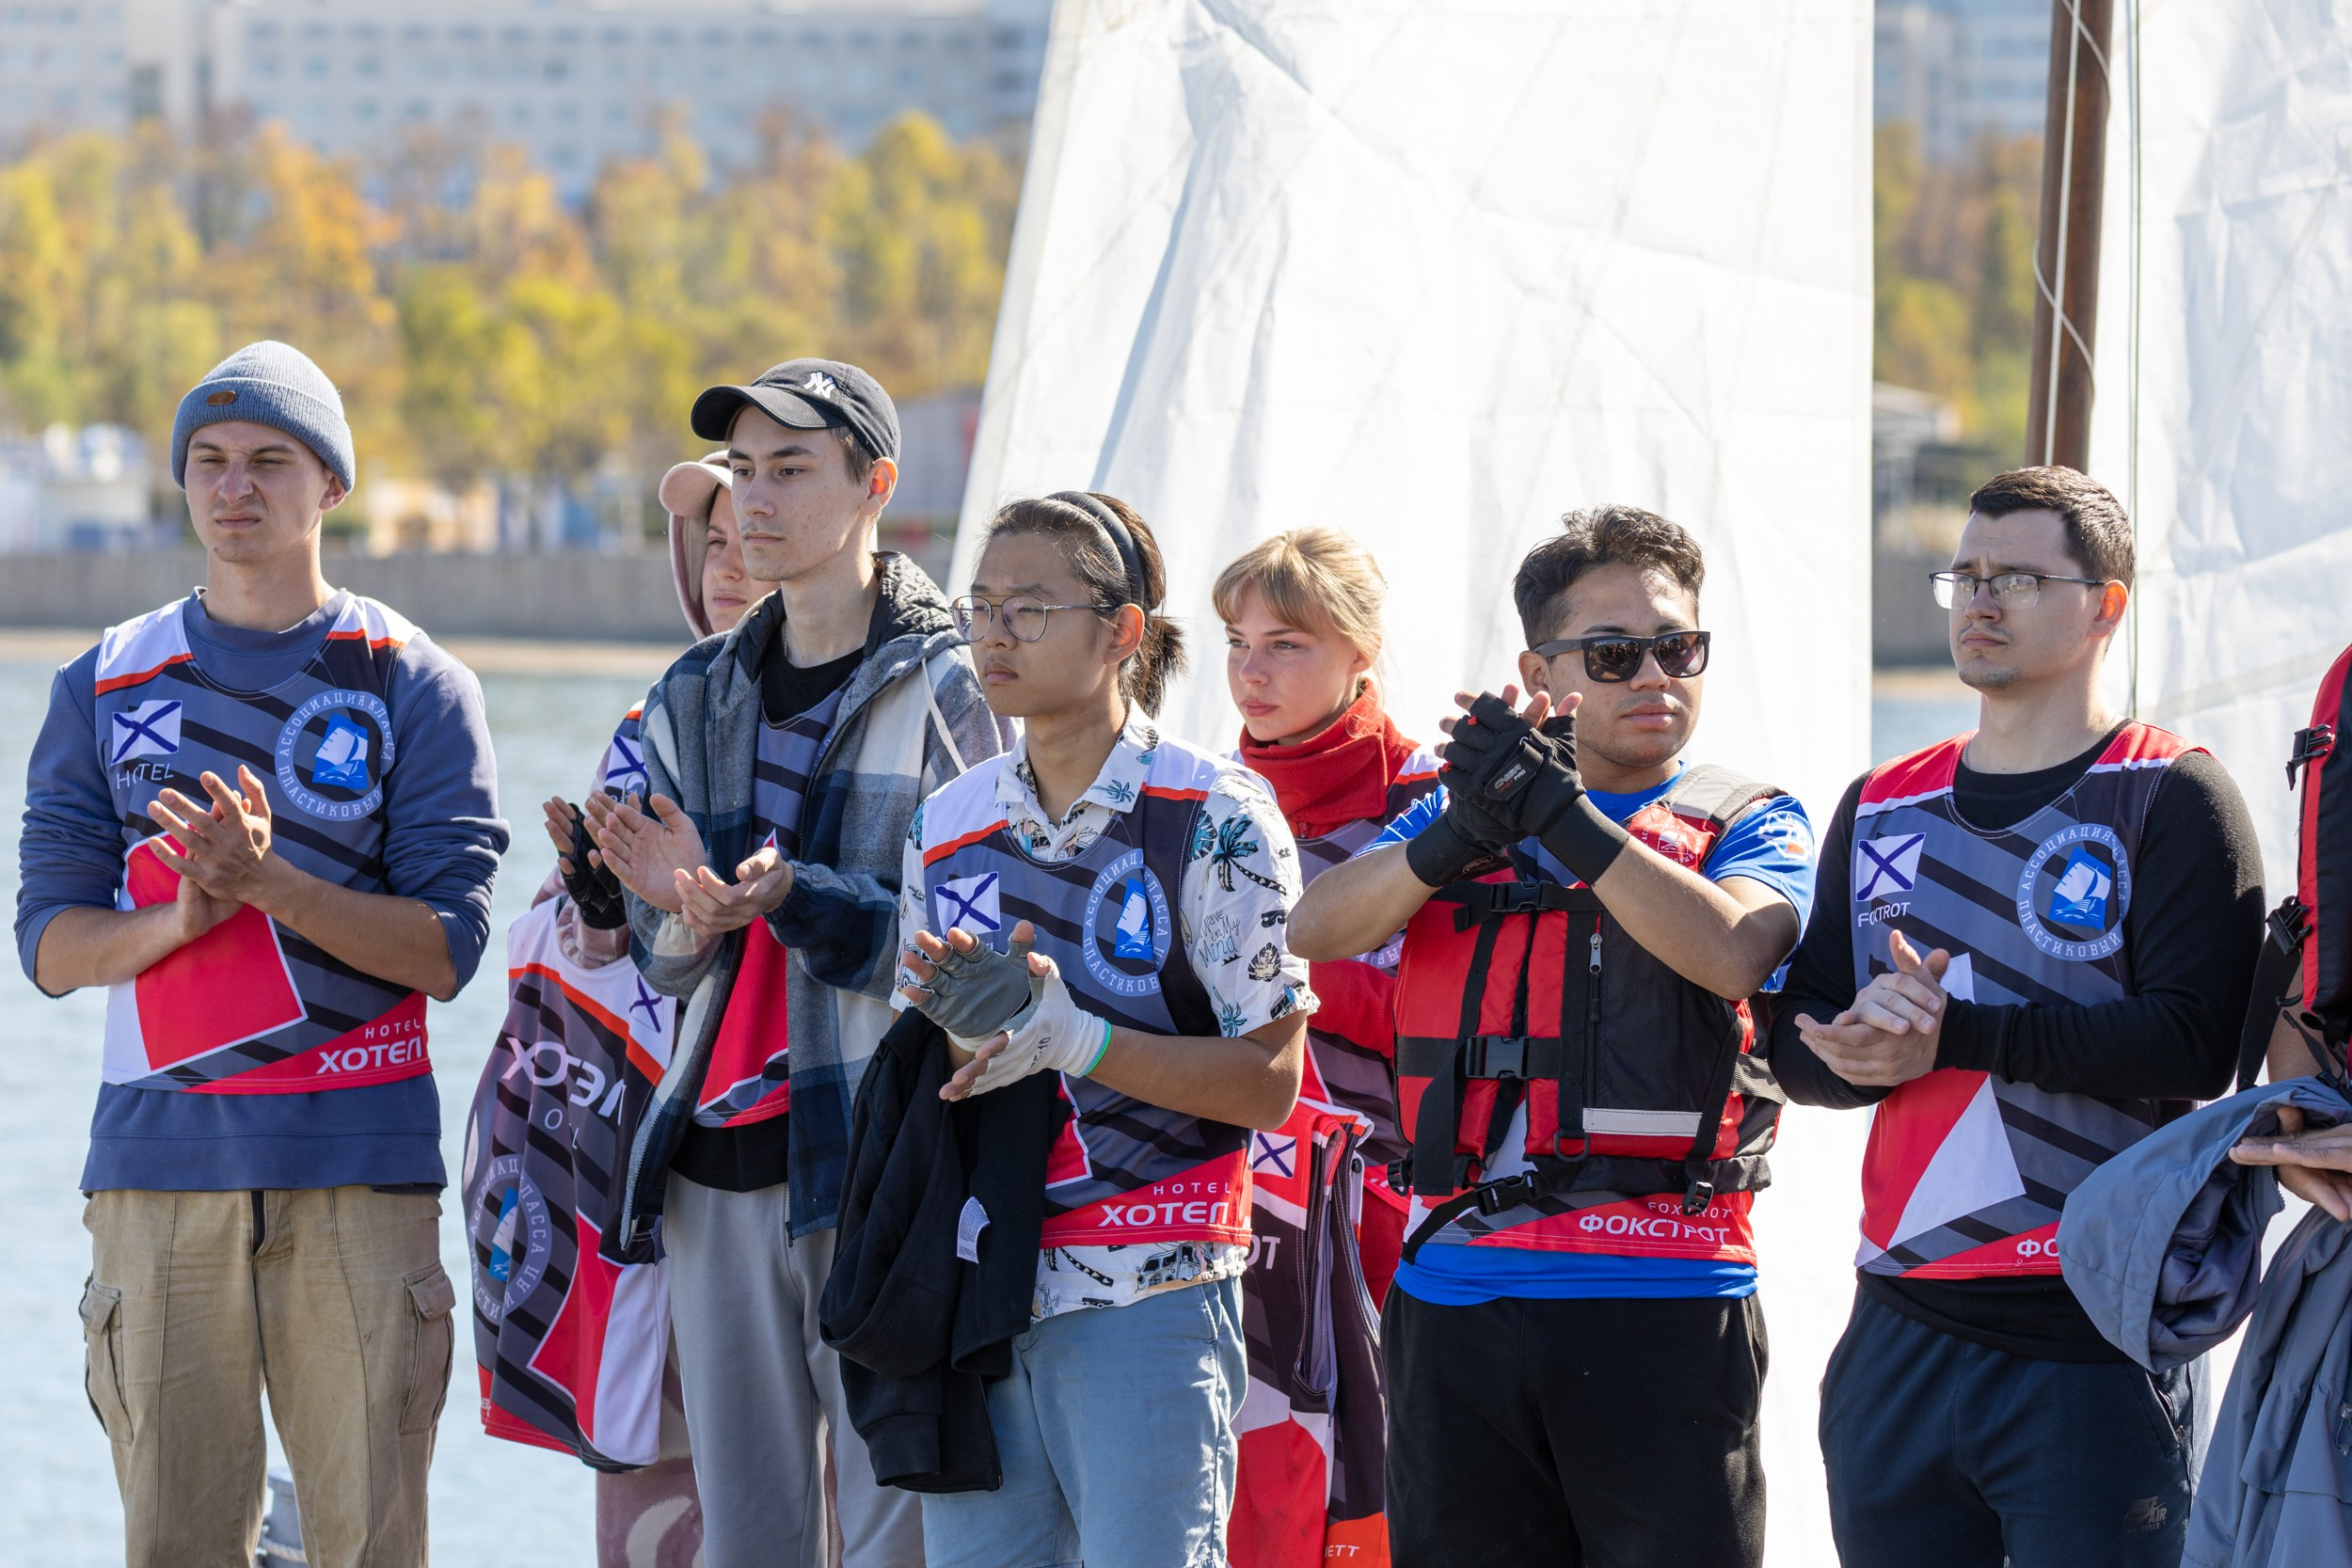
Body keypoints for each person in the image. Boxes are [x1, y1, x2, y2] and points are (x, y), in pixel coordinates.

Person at [15, 341, 507, 1567]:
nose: (236, 487)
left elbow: (448, 945)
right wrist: (183, 923)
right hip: (156, 1170)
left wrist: (267, 884)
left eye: (270, 462)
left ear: (329, 484)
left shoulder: (413, 682)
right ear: (181, 484)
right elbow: (48, 942)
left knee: (369, 1543)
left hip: (359, 1167)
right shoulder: (105, 681)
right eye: (210, 462)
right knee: (174, 1542)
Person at [1290, 504, 1816, 1568]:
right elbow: (1318, 924)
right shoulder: (1463, 807)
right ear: (1543, 668)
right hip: (1457, 1301)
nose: (1655, 676)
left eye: (1679, 648)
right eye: (1616, 654)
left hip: (1667, 1299)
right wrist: (1462, 829)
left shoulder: (1753, 816)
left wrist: (1562, 816)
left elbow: (1734, 951)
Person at [1771, 465, 2265, 1568]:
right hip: (1897, 1321)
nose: (1978, 600)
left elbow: (2195, 1041)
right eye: (1966, 574)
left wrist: (1959, 1035)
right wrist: (1848, 1048)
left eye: (2019, 577)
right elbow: (1794, 1038)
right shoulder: (1882, 797)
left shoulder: (2171, 790)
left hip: (2089, 1323)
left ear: (2106, 604)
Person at [585, 358, 1002, 1568]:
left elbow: (969, 951)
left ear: (876, 484)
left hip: (884, 1160)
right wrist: (683, 911)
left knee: (896, 1533)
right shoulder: (693, 690)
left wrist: (800, 898)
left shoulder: (950, 686)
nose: (755, 502)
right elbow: (667, 968)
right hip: (713, 1165)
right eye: (745, 474)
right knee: (749, 1537)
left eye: (791, 470)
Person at [895, 491, 1314, 1568]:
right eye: (979, 606)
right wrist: (974, 1026)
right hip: (981, 1294)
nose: (992, 632)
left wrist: (1078, 1040)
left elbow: (1271, 1082)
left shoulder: (1214, 813)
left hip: (1153, 1290)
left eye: (1028, 609)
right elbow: (939, 1055)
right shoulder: (947, 822)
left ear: (1122, 630)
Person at [465, 454, 777, 1565]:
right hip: (654, 1177)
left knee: (816, 1506)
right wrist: (596, 907)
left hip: (803, 1174)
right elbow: (585, 950)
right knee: (653, 1508)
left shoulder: (884, 699)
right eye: (713, 539)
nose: (732, 560)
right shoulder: (653, 718)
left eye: (756, 528)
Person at [1215, 529, 1439, 1566]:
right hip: (1234, 1209)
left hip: (1391, 1209)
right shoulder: (1208, 801)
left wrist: (1281, 975)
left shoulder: (1428, 800)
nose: (1250, 670)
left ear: (1362, 650)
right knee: (1247, 1499)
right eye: (1236, 640)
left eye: (1285, 642)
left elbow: (1446, 1017)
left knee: (1378, 1507)